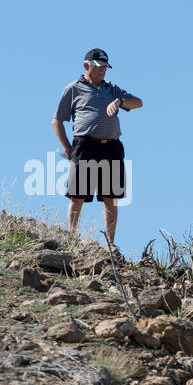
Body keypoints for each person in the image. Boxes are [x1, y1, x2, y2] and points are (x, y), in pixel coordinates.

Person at [53, 48, 142, 246]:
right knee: (77, 195)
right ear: (87, 66)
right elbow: (57, 121)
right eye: (99, 67)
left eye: (105, 67)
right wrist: (68, 148)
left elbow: (138, 103)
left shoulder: (112, 89)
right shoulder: (73, 88)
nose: (103, 71)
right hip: (85, 145)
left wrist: (119, 101)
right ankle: (72, 239)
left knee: (111, 197)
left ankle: (110, 244)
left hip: (111, 147)